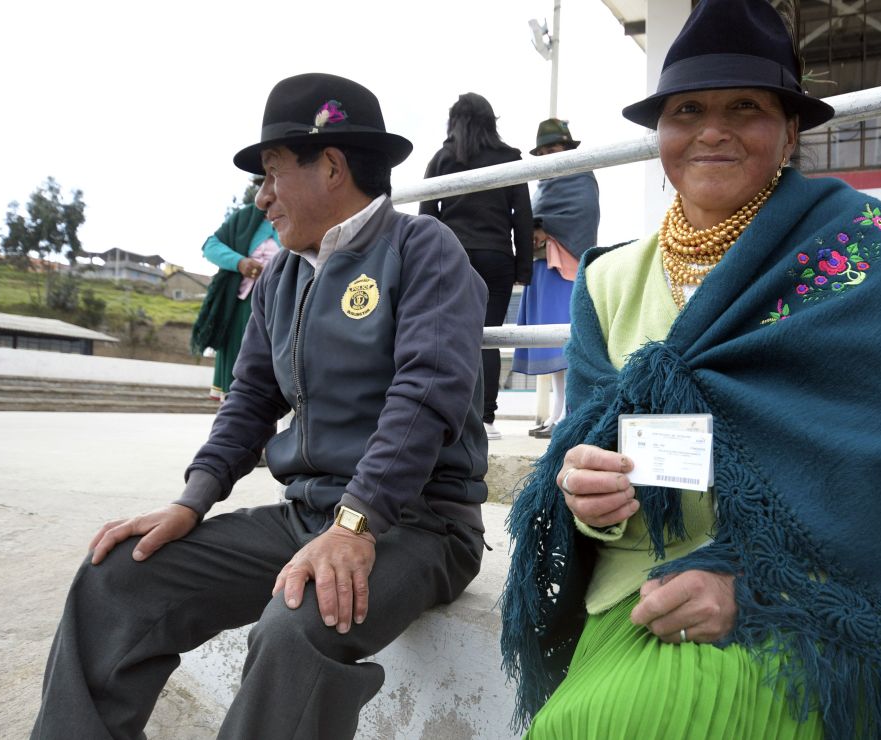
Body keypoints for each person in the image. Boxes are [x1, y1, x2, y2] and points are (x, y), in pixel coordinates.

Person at [500, 2, 881, 739]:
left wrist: (758, 587)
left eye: (746, 106)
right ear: (661, 135)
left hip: (807, 598)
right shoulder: (609, 281)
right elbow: (585, 470)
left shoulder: (852, 249)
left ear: (790, 132)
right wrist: (589, 498)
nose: (712, 129)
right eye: (687, 110)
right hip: (642, 595)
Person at [32, 73, 490, 740]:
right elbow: (250, 397)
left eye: (272, 173)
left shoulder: (422, 251)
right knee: (117, 580)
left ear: (331, 166)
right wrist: (193, 499)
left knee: (297, 628)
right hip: (306, 515)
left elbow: (427, 392)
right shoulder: (282, 275)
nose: (262, 197)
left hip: (416, 524)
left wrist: (356, 523)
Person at [420, 93, 533, 441]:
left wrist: (426, 263)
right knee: (489, 336)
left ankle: (452, 415)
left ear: (454, 122)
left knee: (451, 336)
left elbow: (427, 215)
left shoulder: (442, 158)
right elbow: (523, 217)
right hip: (497, 256)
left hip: (453, 257)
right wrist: (523, 269)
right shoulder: (508, 159)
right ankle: (486, 420)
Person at [513, 119, 600, 439]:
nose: (550, 155)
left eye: (555, 149)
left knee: (566, 343)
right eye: (545, 151)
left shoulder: (580, 176)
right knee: (550, 345)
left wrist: (543, 227)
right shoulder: (544, 185)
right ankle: (556, 413)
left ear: (568, 149)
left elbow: (582, 216)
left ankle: (568, 414)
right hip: (540, 269)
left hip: (564, 267)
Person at [191, 191, 280, 400]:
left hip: (283, 307)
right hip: (241, 308)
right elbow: (210, 246)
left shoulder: (301, 216)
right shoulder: (246, 217)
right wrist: (240, 263)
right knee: (239, 383)